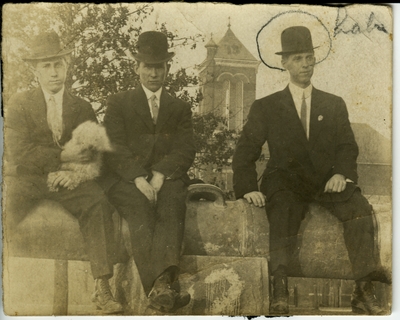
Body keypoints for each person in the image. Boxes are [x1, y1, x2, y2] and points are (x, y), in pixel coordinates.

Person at [232, 26, 388, 315]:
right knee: (281, 210)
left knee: (359, 208)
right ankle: (279, 289)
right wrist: (248, 188)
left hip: (326, 181)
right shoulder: (266, 107)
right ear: (285, 64)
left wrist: (342, 173)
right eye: (298, 59)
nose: (306, 64)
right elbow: (245, 152)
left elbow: (347, 146)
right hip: (286, 181)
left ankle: (363, 290)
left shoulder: (334, 104)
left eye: (309, 57)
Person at [4, 31, 123, 314]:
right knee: (7, 204)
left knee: (97, 201)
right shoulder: (19, 103)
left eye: (59, 64)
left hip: (69, 179)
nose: (54, 72)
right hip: (29, 178)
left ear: (67, 64)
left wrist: (73, 173)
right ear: (35, 70)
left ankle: (102, 286)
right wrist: (61, 155)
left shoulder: (81, 107)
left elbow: (94, 155)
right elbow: (17, 150)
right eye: (46, 66)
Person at [102, 31, 196, 313]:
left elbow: (185, 149)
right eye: (147, 66)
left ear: (167, 68)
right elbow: (113, 146)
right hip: (123, 178)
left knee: (172, 202)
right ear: (137, 68)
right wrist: (138, 177)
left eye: (159, 67)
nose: (153, 73)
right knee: (140, 207)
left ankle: (161, 287)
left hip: (164, 178)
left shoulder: (180, 108)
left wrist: (160, 173)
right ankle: (162, 285)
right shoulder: (118, 103)